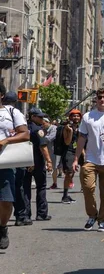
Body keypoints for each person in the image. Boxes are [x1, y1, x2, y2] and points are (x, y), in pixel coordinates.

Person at [73, 88, 104, 232]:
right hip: (91, 159)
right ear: (96, 98)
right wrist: (76, 158)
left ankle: (102, 220)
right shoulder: (88, 117)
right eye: (100, 97)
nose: (102, 100)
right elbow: (82, 138)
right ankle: (92, 215)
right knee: (88, 188)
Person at [0, 85, 29, 249]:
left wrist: (6, 140)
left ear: (1, 95)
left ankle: (3, 227)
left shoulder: (12, 113)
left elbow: (25, 134)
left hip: (5, 162)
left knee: (6, 201)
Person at [14, 108, 53, 224]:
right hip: (37, 163)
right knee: (41, 187)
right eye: (39, 117)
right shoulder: (38, 130)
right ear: (32, 117)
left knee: (25, 188)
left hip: (25, 162)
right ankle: (42, 213)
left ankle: (26, 214)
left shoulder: (23, 128)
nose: (42, 119)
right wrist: (49, 161)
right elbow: (43, 146)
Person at [60, 110, 82, 203]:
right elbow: (67, 142)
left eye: (77, 116)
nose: (76, 118)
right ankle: (64, 196)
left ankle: (67, 194)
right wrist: (71, 131)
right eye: (74, 116)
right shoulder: (67, 128)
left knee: (72, 173)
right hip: (68, 152)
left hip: (76, 151)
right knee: (69, 173)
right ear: (70, 118)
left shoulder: (80, 128)